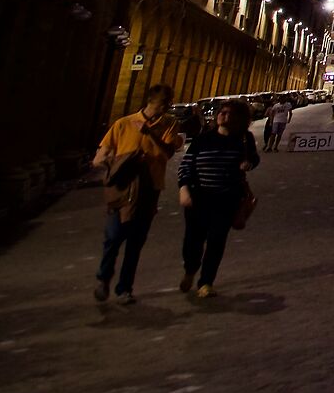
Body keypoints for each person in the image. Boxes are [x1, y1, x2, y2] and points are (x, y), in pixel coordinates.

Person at [90, 85, 184, 304]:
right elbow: (100, 156)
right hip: (122, 188)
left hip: (149, 188)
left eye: (168, 101)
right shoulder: (123, 123)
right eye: (165, 101)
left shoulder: (169, 124)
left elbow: (168, 153)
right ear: (152, 101)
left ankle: (124, 288)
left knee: (136, 241)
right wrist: (110, 163)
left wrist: (150, 133)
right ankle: (103, 279)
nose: (168, 105)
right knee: (113, 236)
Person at [175, 99, 260, 299]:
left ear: (239, 119)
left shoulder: (244, 139)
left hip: (226, 199)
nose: (223, 115)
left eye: (229, 113)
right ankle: (190, 269)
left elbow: (254, 158)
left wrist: (248, 163)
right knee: (192, 242)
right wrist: (184, 189)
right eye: (222, 112)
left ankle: (206, 282)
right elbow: (186, 165)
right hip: (199, 198)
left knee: (216, 241)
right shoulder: (203, 139)